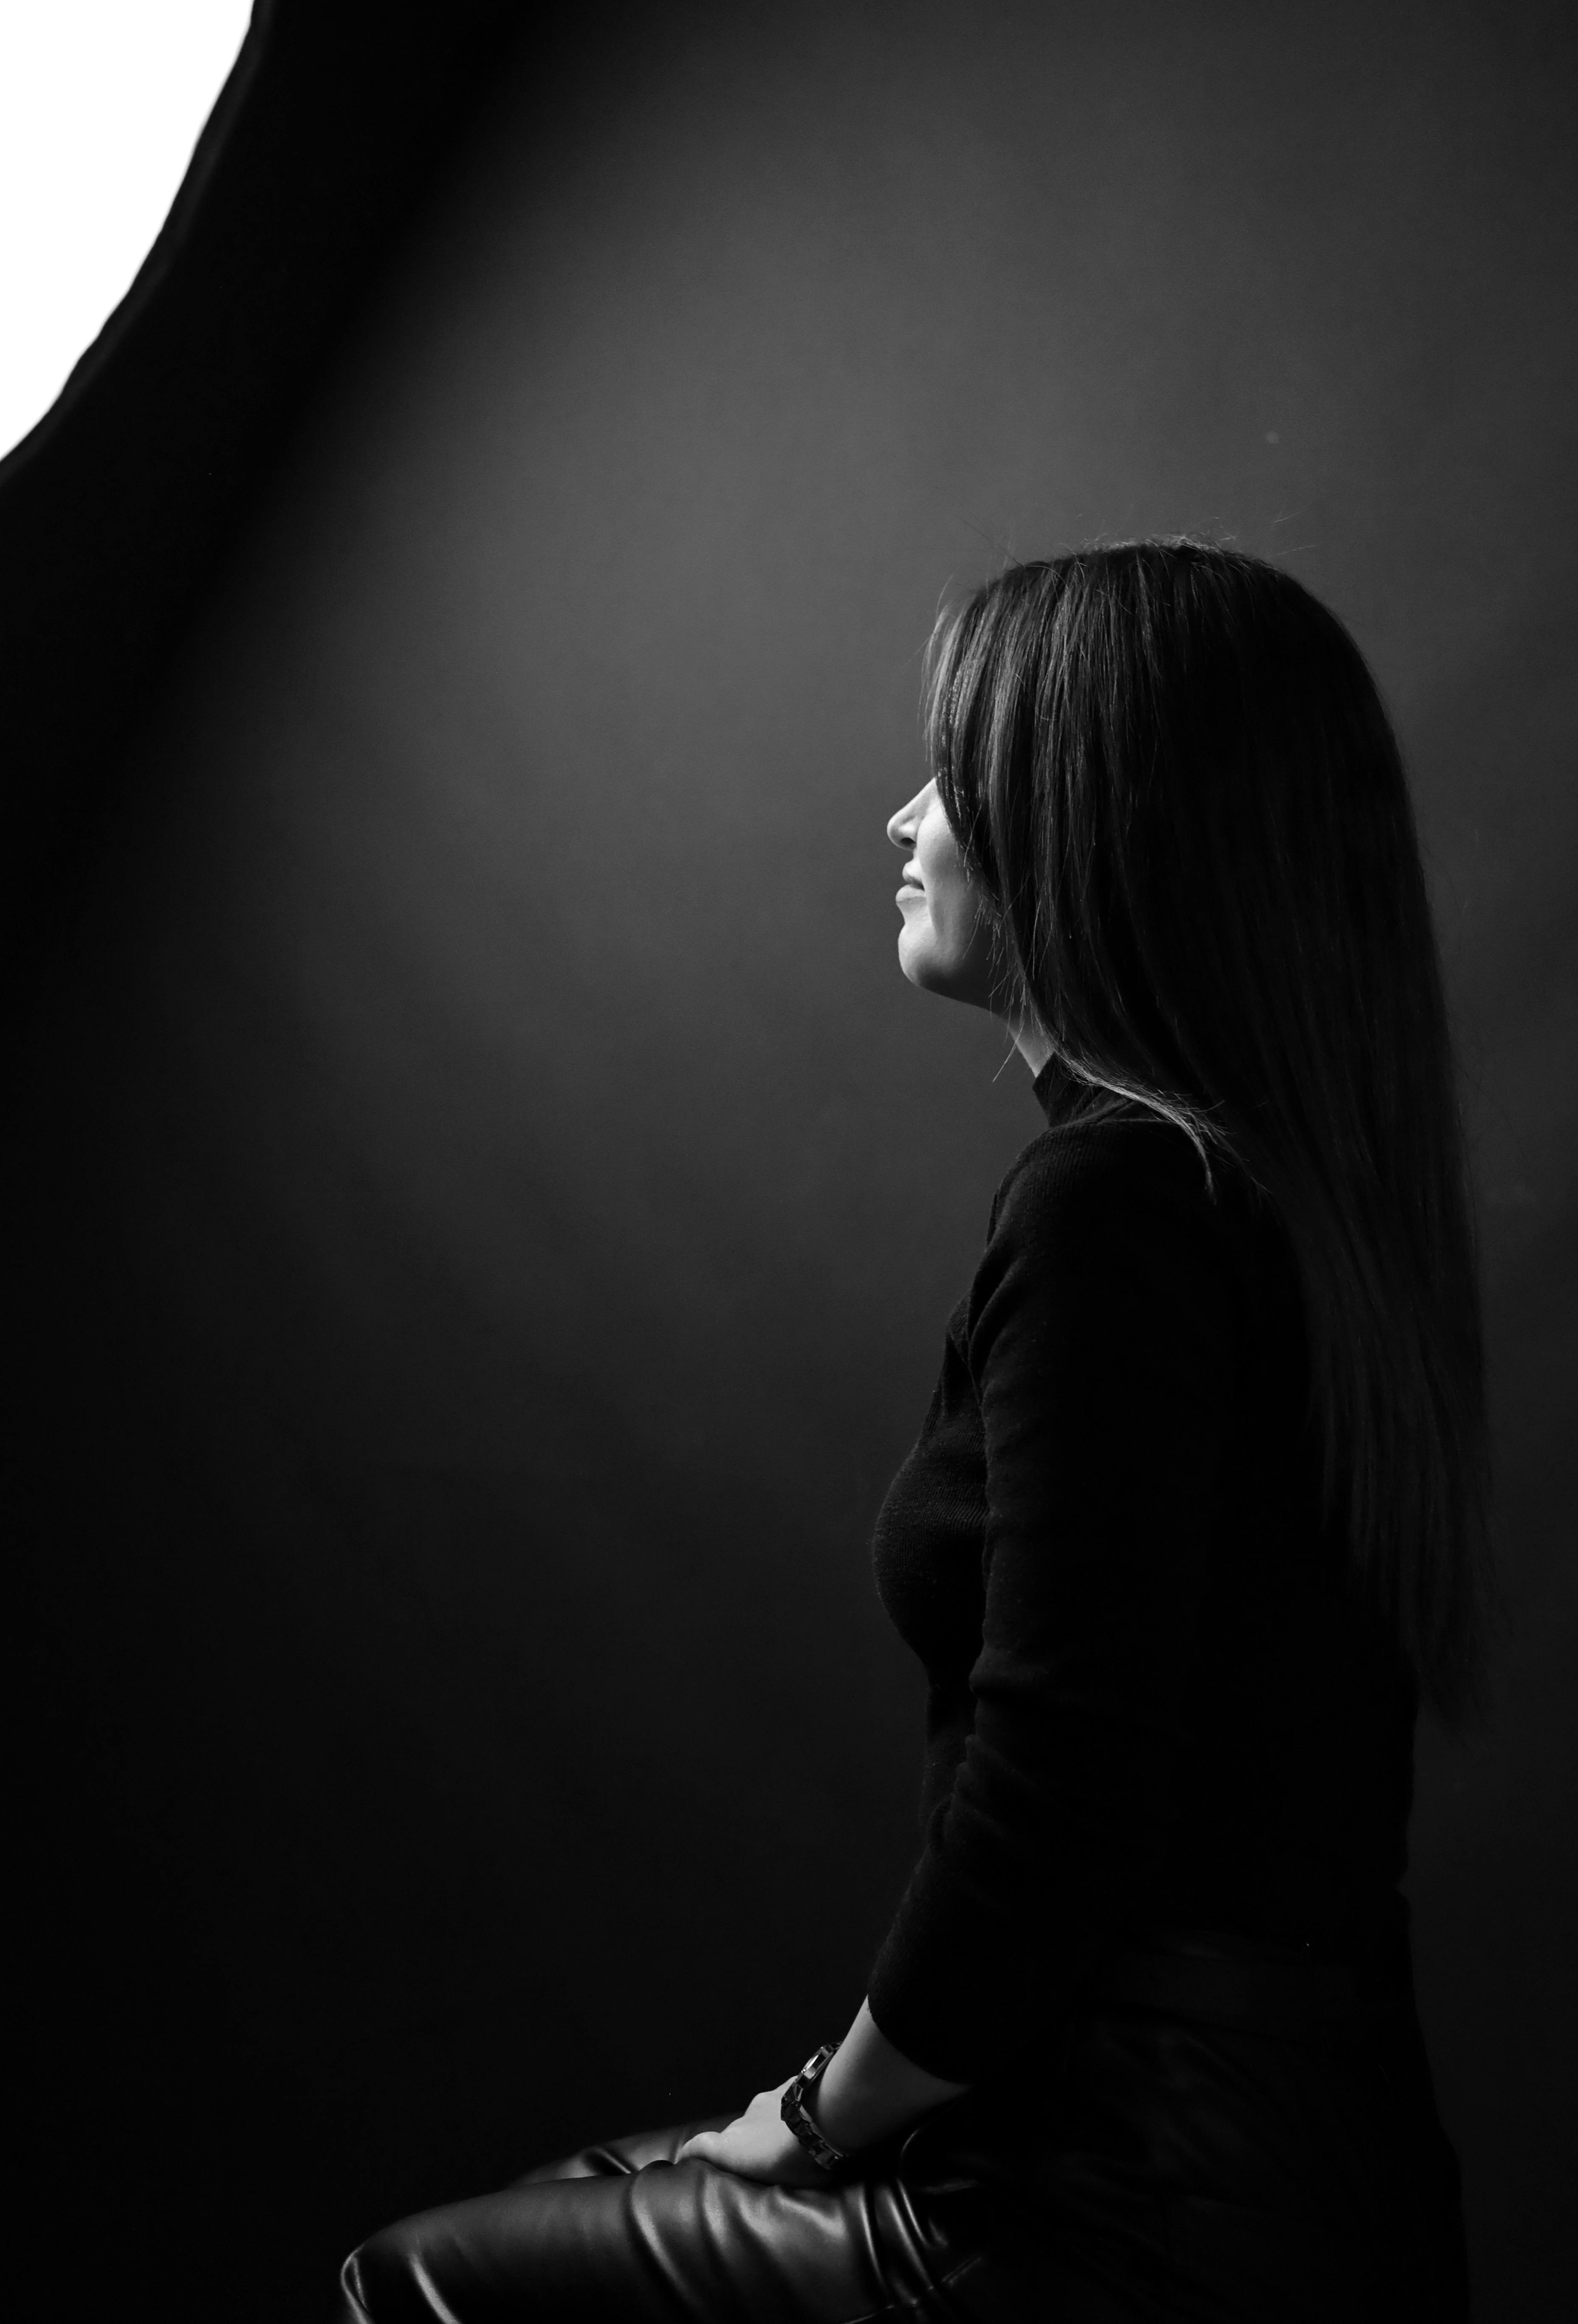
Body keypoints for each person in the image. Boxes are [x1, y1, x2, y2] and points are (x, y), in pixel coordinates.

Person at [336, 539, 1491, 2321]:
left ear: (1084, 819)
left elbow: (1057, 1806)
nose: (904, 817)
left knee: (417, 2288)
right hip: (1318, 2173)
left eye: (954, 775)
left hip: (1125, 2197)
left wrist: (811, 2112)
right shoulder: (1294, 1214)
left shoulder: (1116, 1208)